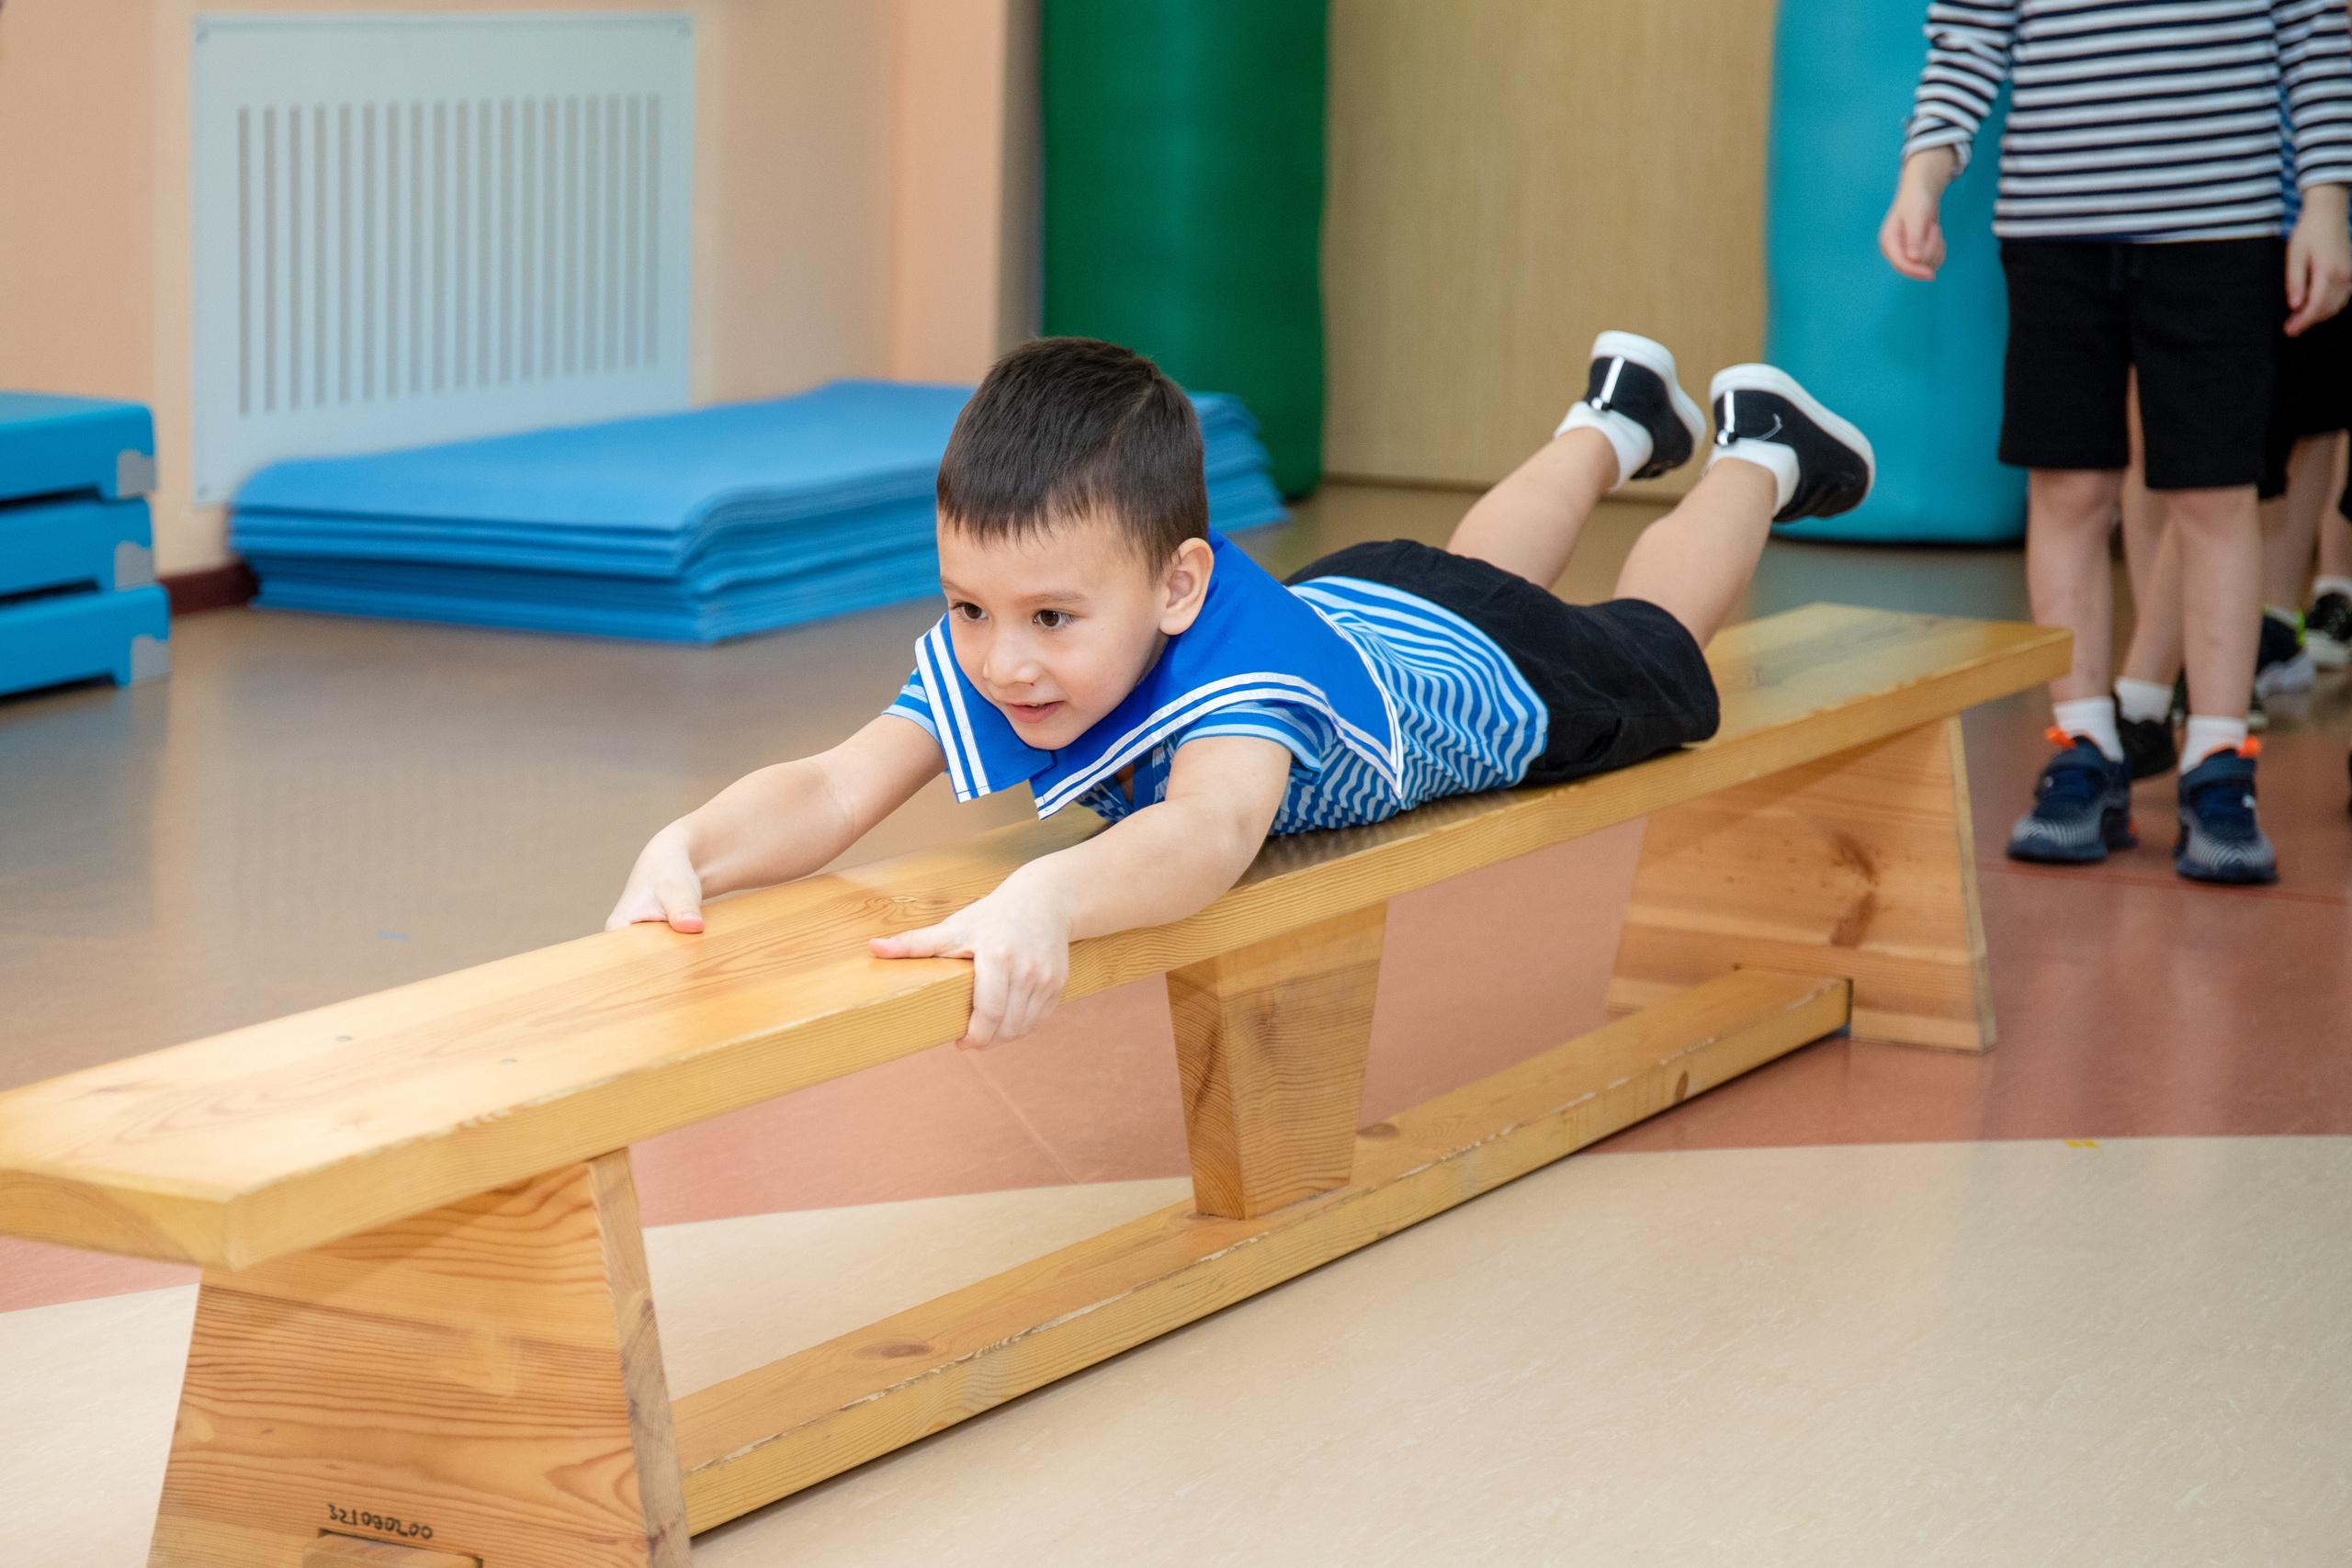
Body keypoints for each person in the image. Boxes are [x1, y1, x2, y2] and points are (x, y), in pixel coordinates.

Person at [606, 334, 1874, 1046]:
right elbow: (836, 780)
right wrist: (694, 844)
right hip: (1373, 602)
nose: (1005, 660)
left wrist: (1043, 891)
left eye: (1050, 615)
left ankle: (1760, 452)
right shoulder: (1032, 648)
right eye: (968, 607)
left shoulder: (1238, 696)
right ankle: (1615, 418)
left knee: (1652, 632)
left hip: (1503, 681)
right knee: (1471, 564)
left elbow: (1208, 835)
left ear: (1178, 586)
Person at [1883, 0, 2352, 885]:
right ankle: (2084, 744)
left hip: (2221, 232)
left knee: (2216, 492)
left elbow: (2313, 39)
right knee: (2067, 490)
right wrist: (1923, 174)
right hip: (2055, 231)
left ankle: (2220, 760)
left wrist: (2326, 203)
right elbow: (1971, 40)